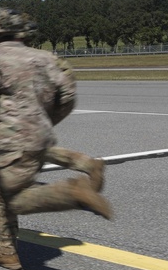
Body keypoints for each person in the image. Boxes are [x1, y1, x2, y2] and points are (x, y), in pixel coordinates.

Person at [0, 7, 112, 270]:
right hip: (41, 137)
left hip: (15, 142)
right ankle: (5, 252)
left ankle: (72, 193)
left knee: (11, 199)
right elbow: (68, 96)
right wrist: (45, 122)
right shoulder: (44, 57)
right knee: (0, 191)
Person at [16, 16, 106, 191]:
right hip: (59, 101)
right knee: (32, 144)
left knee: (31, 144)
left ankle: (89, 165)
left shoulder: (24, 58)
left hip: (45, 104)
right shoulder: (43, 55)